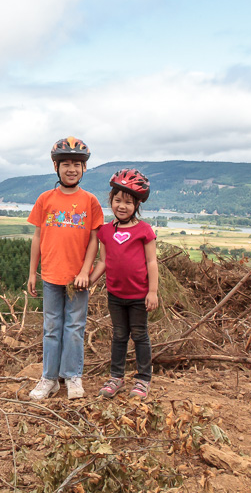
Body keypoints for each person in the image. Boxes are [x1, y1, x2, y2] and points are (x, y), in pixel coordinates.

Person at [27, 136, 104, 400]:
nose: (71, 169)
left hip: (77, 280)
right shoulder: (45, 199)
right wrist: (32, 272)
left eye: (76, 164)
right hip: (50, 275)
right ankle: (49, 378)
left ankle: (72, 376)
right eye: (66, 164)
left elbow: (94, 239)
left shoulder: (90, 201)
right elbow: (37, 237)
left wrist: (85, 272)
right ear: (56, 167)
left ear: (84, 168)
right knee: (51, 328)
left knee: (74, 328)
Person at [80, 168, 158, 399]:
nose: (122, 206)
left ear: (137, 205)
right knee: (119, 335)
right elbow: (103, 261)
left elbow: (152, 262)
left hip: (139, 295)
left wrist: (153, 292)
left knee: (140, 335)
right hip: (115, 295)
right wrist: (88, 281)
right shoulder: (106, 231)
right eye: (117, 200)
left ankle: (143, 379)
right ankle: (116, 377)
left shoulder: (144, 230)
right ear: (111, 200)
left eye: (128, 202)